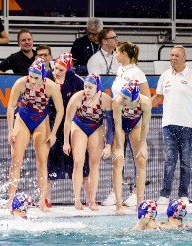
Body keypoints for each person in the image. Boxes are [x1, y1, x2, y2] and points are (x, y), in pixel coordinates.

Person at [7, 58, 64, 211]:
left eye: (36, 78)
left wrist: (53, 133)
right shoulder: (20, 83)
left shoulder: (51, 87)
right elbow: (11, 107)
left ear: (43, 77)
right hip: (23, 118)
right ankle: (10, 198)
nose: (32, 80)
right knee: (16, 161)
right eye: (30, 76)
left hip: (40, 121)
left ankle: (42, 200)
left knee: (41, 162)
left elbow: (60, 111)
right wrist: (11, 130)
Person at [152, 45, 192, 206]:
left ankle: (183, 194)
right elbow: (157, 97)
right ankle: (165, 194)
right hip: (168, 124)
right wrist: (143, 106)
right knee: (169, 160)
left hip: (186, 125)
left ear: (184, 57)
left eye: (176, 56)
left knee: (186, 162)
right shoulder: (165, 75)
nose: (173, 58)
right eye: (171, 55)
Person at [103, 41, 152, 207]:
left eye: (117, 52)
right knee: (118, 158)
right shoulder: (120, 70)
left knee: (139, 158)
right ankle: (115, 194)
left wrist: (135, 112)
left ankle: (136, 194)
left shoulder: (137, 73)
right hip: (118, 117)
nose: (115, 55)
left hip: (134, 119)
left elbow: (146, 97)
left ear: (123, 54)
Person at [63, 74, 114, 210]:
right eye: (85, 86)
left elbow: (110, 125)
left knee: (94, 165)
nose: (87, 90)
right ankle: (77, 199)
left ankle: (92, 200)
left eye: (90, 87)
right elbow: (68, 120)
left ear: (97, 87)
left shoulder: (106, 100)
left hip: (96, 127)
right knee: (78, 162)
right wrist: (66, 142)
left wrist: (108, 146)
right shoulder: (77, 97)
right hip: (79, 125)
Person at [45, 52, 88, 207]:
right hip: (51, 123)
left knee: (79, 161)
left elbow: (87, 99)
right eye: (55, 68)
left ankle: (87, 198)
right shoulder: (46, 77)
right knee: (48, 160)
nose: (56, 72)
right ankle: (45, 197)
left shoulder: (76, 81)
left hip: (72, 124)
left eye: (61, 70)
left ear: (68, 70)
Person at [112, 80, 152, 215]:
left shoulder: (145, 102)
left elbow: (146, 125)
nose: (121, 99)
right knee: (118, 161)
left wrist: (142, 146)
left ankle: (139, 204)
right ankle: (118, 204)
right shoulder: (117, 102)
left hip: (136, 125)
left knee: (141, 160)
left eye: (125, 98)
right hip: (121, 127)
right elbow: (117, 125)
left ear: (134, 97)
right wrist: (118, 146)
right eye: (121, 96)